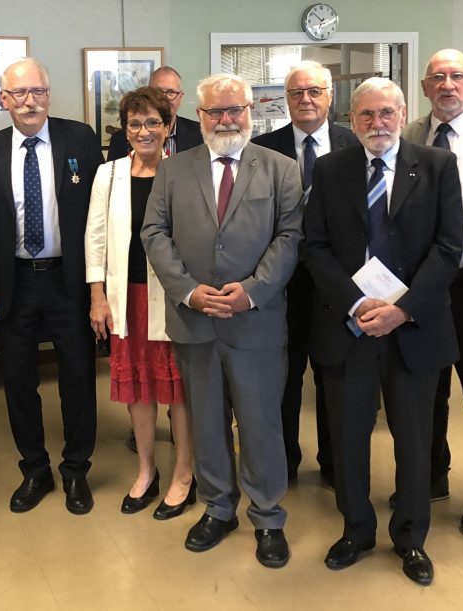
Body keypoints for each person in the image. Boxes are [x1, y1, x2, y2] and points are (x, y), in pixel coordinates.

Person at [304, 77, 463, 586]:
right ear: (352, 121)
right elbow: (315, 245)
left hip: (413, 328)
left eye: (387, 114)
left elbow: (447, 247)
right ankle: (356, 531)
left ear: (402, 114)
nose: (378, 124)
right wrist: (356, 303)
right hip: (349, 326)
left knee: (415, 441)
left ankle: (412, 537)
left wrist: (403, 309)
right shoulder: (331, 170)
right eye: (367, 115)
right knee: (349, 436)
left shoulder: (437, 166)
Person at [142, 73, 303, 567]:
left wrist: (250, 294)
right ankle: (217, 508)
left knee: (260, 423)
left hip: (254, 322)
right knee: (207, 422)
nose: (227, 119)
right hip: (195, 322)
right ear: (200, 114)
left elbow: (290, 237)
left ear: (251, 110)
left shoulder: (281, 169)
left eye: (236, 109)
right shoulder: (173, 170)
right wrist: (188, 292)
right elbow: (154, 231)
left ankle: (268, 516)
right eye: (216, 111)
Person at [0, 58, 103, 515]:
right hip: (13, 282)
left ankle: (75, 471)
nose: (30, 101)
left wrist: (97, 287)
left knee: (78, 378)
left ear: (49, 94)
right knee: (18, 381)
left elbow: (99, 215)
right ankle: (34, 469)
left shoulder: (79, 138)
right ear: (4, 100)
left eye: (39, 92)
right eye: (20, 94)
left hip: (68, 279)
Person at [85, 87, 193, 519]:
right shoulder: (107, 175)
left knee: (179, 392)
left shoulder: (183, 172)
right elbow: (95, 238)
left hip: (174, 298)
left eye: (152, 122)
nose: (143, 131)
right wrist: (97, 296)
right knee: (139, 391)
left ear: (168, 127)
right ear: (124, 129)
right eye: (134, 123)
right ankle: (147, 471)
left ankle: (184, 473)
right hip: (124, 299)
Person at [252, 60, 357, 487]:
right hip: (283, 283)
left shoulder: (355, 144)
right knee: (286, 377)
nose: (306, 99)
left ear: (330, 96)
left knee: (335, 377)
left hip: (339, 284)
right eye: (296, 92)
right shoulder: (262, 148)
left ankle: (334, 463)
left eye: (314, 91)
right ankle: (285, 461)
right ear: (285, 99)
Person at [397, 49, 463, 535]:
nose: (447, 85)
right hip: (421, 290)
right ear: (425, 88)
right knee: (423, 392)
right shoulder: (406, 137)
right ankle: (428, 477)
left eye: (457, 77)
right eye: (438, 78)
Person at [107, 66, 203, 161]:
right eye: (158, 92)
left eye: (171, 92)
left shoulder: (200, 134)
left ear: (180, 97)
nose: (164, 99)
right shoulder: (119, 140)